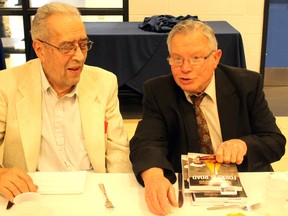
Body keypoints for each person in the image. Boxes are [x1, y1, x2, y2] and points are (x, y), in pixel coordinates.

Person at [129, 20, 286, 215]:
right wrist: (153, 175)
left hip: (244, 183)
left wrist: (243, 145)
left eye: (196, 58)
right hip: (189, 192)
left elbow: (275, 141)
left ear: (216, 57)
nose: (185, 68)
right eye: (177, 59)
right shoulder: (158, 91)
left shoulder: (246, 85)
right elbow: (147, 141)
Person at [0, 2, 131, 203]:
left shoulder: (104, 82)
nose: (79, 56)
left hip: (94, 192)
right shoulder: (6, 85)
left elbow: (118, 153)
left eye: (83, 44)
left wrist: (120, 198)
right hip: (32, 194)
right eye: (67, 47)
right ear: (40, 49)